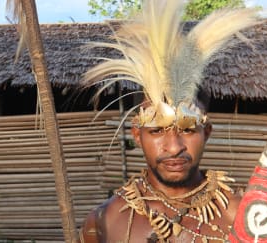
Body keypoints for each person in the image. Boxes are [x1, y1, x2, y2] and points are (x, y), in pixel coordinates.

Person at [79, 0, 257, 242]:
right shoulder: (103, 221)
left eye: (188, 130)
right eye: (157, 131)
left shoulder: (244, 217)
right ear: (137, 135)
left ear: (207, 132)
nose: (174, 147)